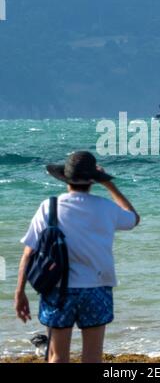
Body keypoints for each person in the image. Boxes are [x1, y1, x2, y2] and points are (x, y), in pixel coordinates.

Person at [14, 151, 140, 363]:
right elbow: (133, 218)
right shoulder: (107, 208)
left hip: (58, 290)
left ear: (66, 178)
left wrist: (20, 292)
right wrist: (109, 185)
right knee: (92, 357)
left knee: (57, 356)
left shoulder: (49, 207)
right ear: (93, 180)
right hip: (97, 288)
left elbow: (29, 253)